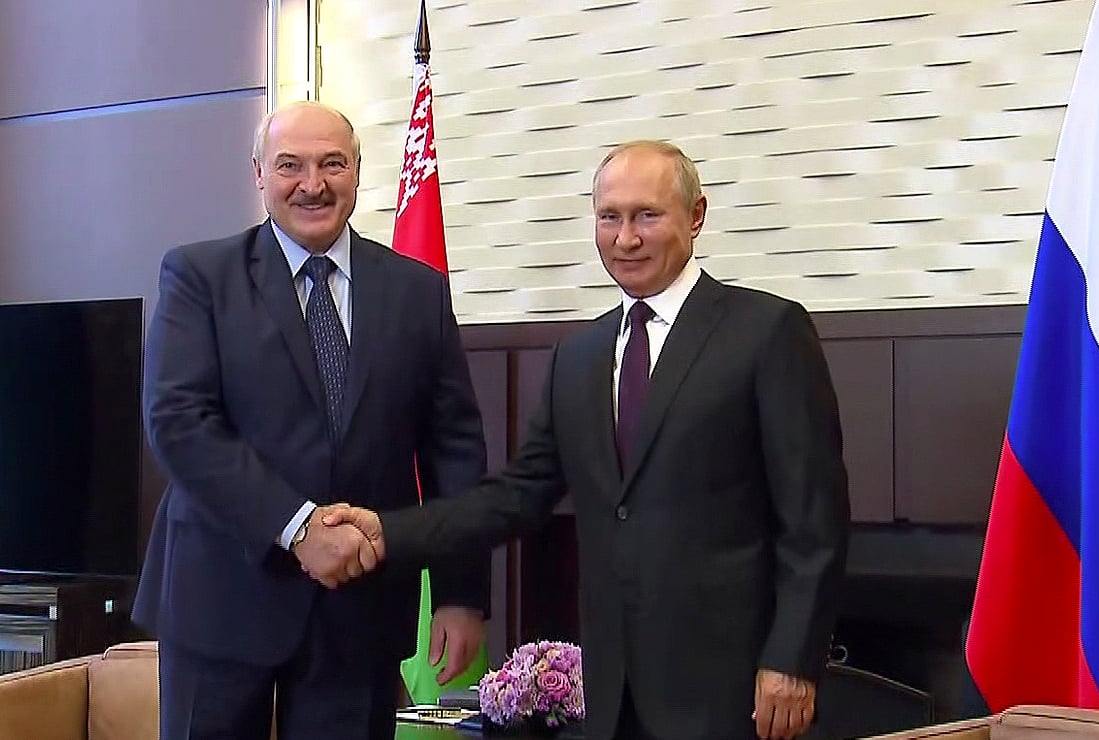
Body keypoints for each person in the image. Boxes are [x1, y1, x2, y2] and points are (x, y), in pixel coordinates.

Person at [325, 140, 851, 740]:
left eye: (646, 215)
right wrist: (389, 531)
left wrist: (793, 658)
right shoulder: (578, 358)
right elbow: (515, 497)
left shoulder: (767, 332)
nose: (626, 238)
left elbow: (814, 521)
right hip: (612, 693)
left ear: (696, 216)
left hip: (734, 690)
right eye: (610, 217)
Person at [133, 100, 490, 740]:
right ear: (258, 174)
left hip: (360, 607)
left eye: (332, 164)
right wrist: (299, 528)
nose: (312, 184)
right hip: (221, 596)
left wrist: (461, 593)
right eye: (289, 165)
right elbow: (179, 423)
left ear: (357, 170)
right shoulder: (199, 277)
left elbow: (454, 450)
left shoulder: (418, 291)